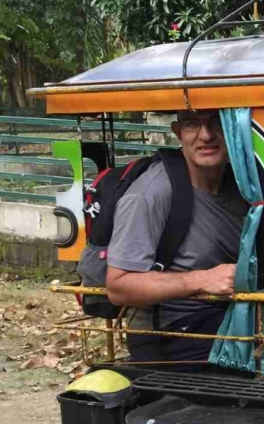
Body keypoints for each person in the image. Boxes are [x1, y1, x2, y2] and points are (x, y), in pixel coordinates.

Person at [105, 110, 248, 362]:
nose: (206, 135)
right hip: (170, 331)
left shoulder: (243, 184)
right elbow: (118, 286)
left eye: (215, 122)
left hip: (229, 315)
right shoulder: (150, 194)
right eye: (193, 124)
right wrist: (202, 279)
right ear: (178, 132)